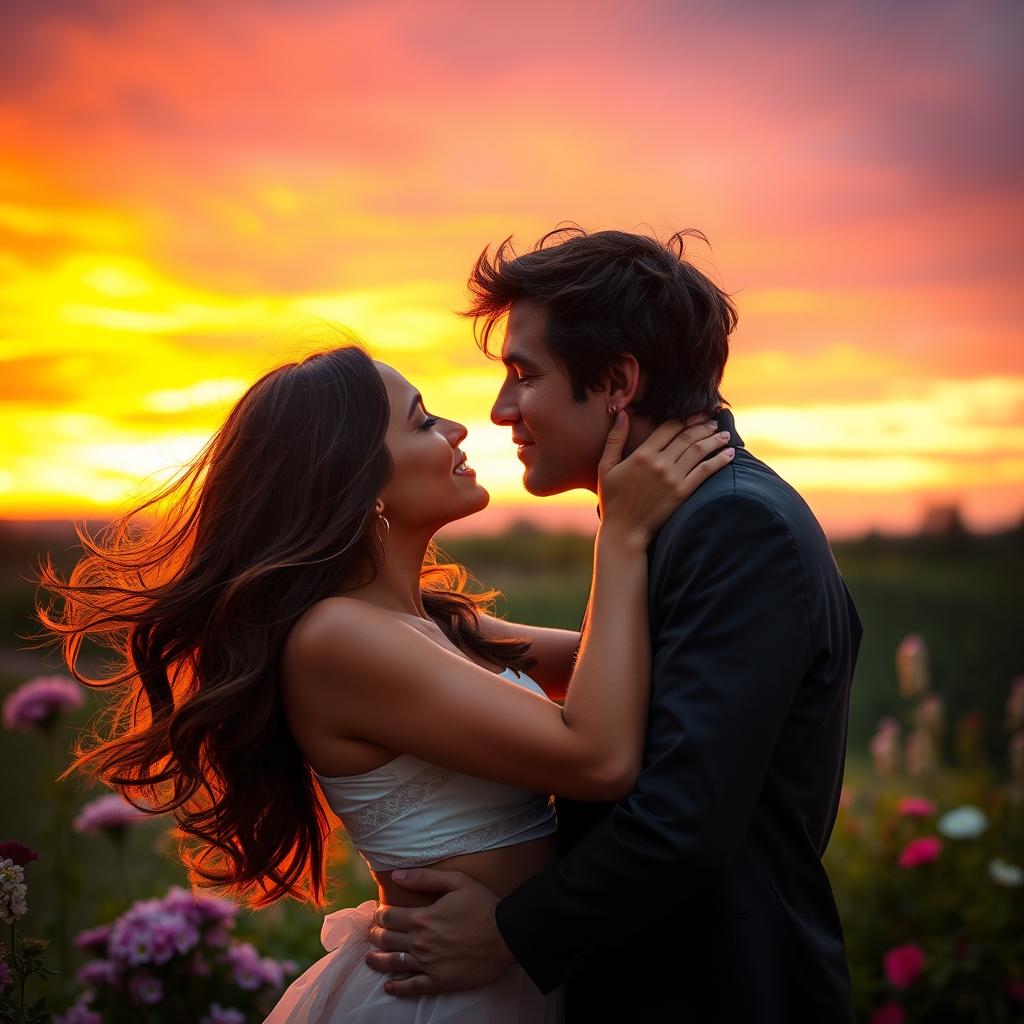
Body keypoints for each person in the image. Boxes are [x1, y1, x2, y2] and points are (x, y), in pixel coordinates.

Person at [38, 340, 733, 1022]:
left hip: (504, 979)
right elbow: (598, 757)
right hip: (442, 1001)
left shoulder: (433, 623)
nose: (459, 429)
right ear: (358, 481)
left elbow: (623, 667)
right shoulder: (338, 640)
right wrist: (620, 533)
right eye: (423, 421)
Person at [366, 227, 864, 1023]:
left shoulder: (736, 528)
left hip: (715, 997)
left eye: (525, 375)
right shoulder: (678, 522)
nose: (499, 410)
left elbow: (682, 821)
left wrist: (508, 933)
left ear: (618, 383)